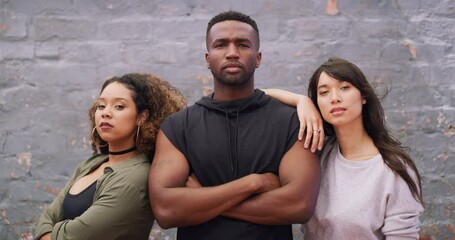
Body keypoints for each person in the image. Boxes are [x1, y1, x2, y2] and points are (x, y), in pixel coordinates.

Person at [148, 10, 322, 240]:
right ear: (208, 59)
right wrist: (253, 183)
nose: (232, 53)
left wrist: (202, 198)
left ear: (258, 58)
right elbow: (166, 210)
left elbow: (298, 205)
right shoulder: (178, 127)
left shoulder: (291, 122)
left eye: (242, 44)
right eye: (221, 45)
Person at [266, 57, 424, 239]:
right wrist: (301, 101)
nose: (335, 98)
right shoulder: (318, 153)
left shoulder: (393, 169)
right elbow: (254, 94)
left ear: (363, 96)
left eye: (345, 88)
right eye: (324, 92)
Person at [34, 73, 186, 240]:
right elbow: (44, 223)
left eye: (119, 106)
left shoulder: (136, 177)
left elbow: (74, 237)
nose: (106, 113)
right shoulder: (90, 164)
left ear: (142, 117)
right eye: (101, 106)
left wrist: (55, 230)